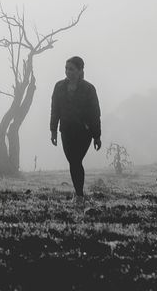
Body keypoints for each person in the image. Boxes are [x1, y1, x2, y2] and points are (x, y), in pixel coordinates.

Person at [50, 55, 101, 203]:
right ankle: (79, 195)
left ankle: (79, 195)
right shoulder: (59, 86)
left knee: (75, 161)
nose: (68, 72)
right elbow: (55, 110)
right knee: (73, 161)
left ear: (80, 71)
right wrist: (53, 130)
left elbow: (95, 113)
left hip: (84, 132)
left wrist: (97, 136)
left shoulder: (89, 89)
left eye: (71, 69)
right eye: (66, 68)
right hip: (66, 130)